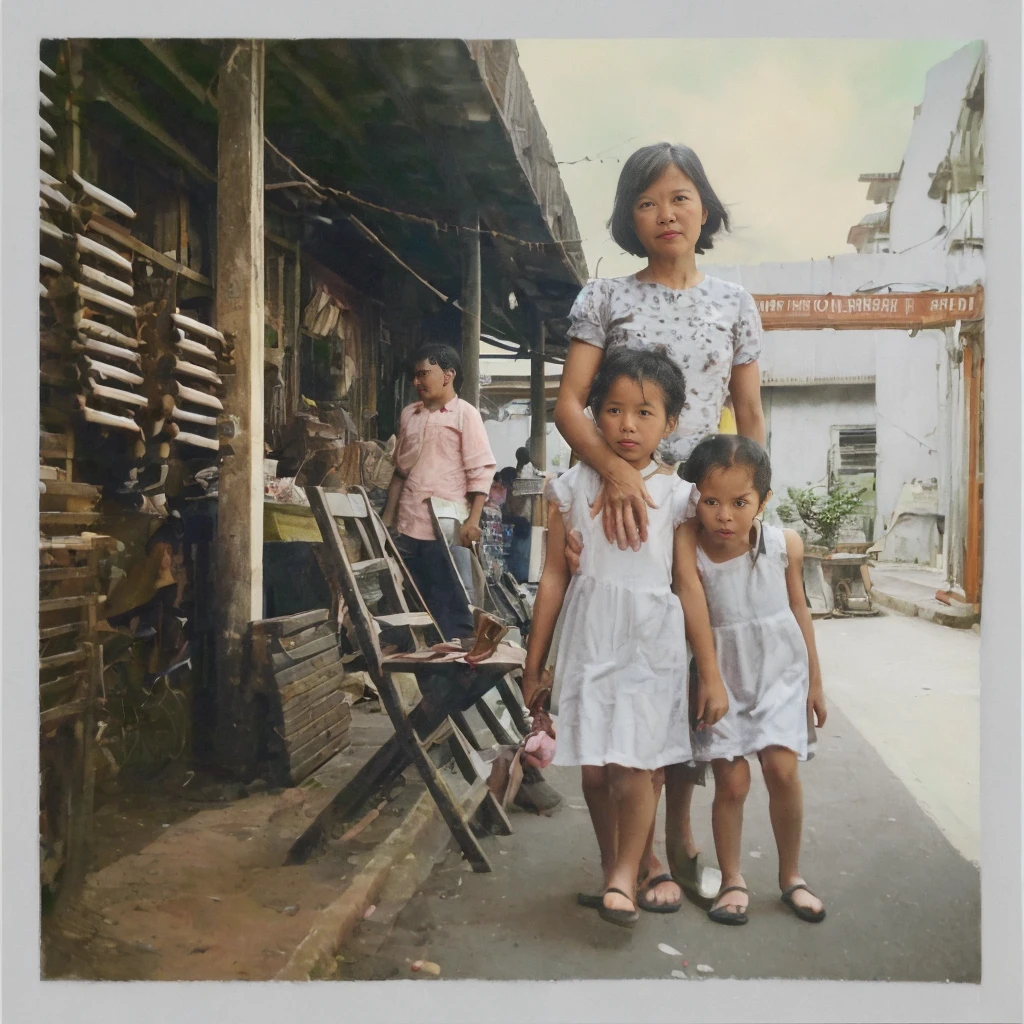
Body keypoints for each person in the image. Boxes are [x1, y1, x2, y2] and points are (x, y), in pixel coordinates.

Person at [553, 141, 767, 910]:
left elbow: (747, 418)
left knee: (693, 682)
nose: (665, 214)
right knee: (637, 680)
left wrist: (748, 512)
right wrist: (612, 474)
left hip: (699, 509)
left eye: (678, 197)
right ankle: (644, 862)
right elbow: (572, 402)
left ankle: (679, 836)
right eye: (647, 202)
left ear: (704, 206)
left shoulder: (735, 303)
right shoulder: (604, 299)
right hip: (624, 508)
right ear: (628, 216)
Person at [520, 348, 729, 929]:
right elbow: (554, 577)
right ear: (593, 413)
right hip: (589, 636)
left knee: (634, 763)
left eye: (644, 412)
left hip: (650, 642)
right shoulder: (568, 488)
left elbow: (687, 584)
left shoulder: (679, 498)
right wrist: (534, 664)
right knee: (593, 768)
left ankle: (621, 878)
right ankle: (617, 864)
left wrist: (709, 672)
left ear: (672, 422)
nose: (627, 425)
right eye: (612, 410)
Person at [682, 434, 827, 925]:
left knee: (782, 771)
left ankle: (792, 877)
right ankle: (732, 879)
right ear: (695, 499)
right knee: (733, 782)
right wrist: (708, 677)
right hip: (722, 677)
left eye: (740, 502)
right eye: (711, 501)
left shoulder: (785, 545)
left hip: (780, 673)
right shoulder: (691, 549)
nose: (724, 515)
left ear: (763, 501)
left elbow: (799, 610)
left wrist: (815, 683)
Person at [382, 344, 496, 641]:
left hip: (445, 529)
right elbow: (399, 473)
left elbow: (481, 471)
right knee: (410, 601)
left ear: (448, 375)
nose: (416, 382)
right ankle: (420, 668)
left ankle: (456, 668)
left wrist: (473, 521)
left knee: (453, 607)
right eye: (414, 376)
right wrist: (388, 518)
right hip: (408, 526)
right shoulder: (410, 415)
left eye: (423, 374)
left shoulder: (465, 415)